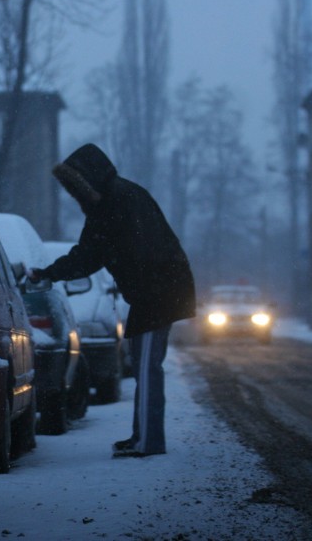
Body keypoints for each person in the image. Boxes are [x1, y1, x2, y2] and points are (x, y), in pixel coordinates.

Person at [28, 143, 195, 458]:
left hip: (155, 293)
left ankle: (149, 441)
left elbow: (103, 253)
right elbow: (90, 254)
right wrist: (51, 272)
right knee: (145, 365)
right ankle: (142, 436)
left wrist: (51, 273)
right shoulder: (114, 200)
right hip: (154, 291)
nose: (75, 196)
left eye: (76, 187)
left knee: (146, 368)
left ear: (89, 179)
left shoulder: (117, 202)